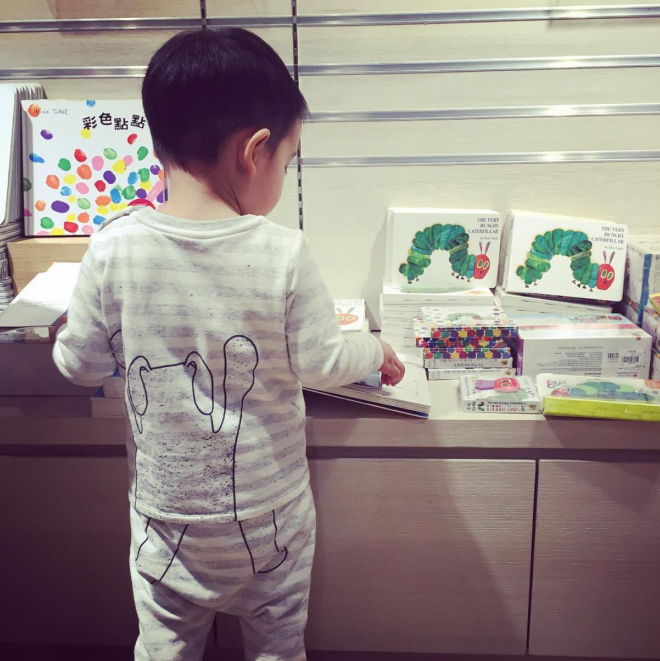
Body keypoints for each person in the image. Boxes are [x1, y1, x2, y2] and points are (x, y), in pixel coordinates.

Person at [53, 27, 405, 661]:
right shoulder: (282, 251)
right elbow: (323, 361)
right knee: (276, 649)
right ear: (255, 151)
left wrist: (71, 336)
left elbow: (80, 364)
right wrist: (375, 351)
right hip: (269, 524)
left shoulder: (112, 246)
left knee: (163, 649)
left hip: (165, 527)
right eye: (287, 162)